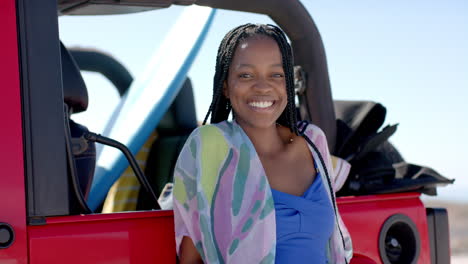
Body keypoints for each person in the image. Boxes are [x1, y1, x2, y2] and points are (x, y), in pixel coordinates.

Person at [173, 23, 353, 264]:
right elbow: (191, 255)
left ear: (288, 82)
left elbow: (332, 248)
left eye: (276, 74)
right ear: (225, 86)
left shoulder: (312, 141)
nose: (262, 86)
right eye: (246, 75)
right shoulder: (211, 145)